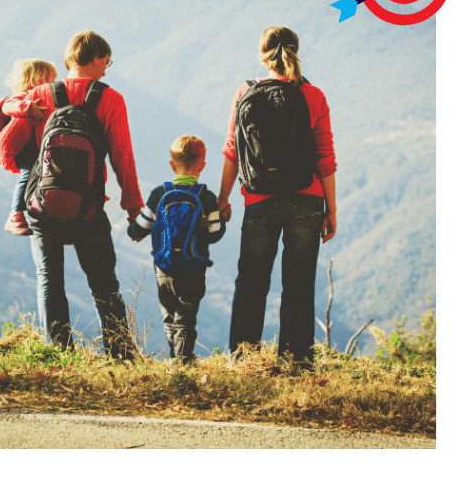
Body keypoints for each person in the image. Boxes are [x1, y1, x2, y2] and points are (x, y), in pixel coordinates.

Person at [217, 25, 337, 368]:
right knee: (298, 282)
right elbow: (324, 156)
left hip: (258, 200)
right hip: (307, 199)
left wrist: (223, 199)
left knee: (251, 279)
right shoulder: (313, 95)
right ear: (296, 51)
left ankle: (242, 359)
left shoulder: (244, 92)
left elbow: (232, 151)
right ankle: (297, 361)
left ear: (262, 56)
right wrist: (331, 208)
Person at [24, 31, 145, 360]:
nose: (107, 69)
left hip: (44, 206)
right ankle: (120, 355)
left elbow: (23, 150)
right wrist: (133, 206)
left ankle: (61, 355)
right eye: (106, 61)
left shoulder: (40, 95)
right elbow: (123, 157)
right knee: (104, 282)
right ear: (94, 58)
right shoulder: (111, 99)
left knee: (49, 278)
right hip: (88, 210)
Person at [128, 135, 227, 364]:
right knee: (186, 318)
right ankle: (183, 360)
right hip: (194, 268)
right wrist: (222, 219)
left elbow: (139, 229)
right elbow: (215, 235)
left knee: (169, 317)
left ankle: (176, 357)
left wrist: (133, 231)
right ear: (202, 165)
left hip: (164, 268)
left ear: (172, 165)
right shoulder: (207, 197)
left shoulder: (158, 194)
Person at [0, 59, 57, 236]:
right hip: (26, 146)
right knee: (27, 175)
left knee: (41, 177)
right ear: (33, 79)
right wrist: (28, 107)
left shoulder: (47, 97)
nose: (51, 84)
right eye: (48, 79)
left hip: (41, 145)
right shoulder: (21, 97)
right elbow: (7, 106)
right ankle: (15, 214)